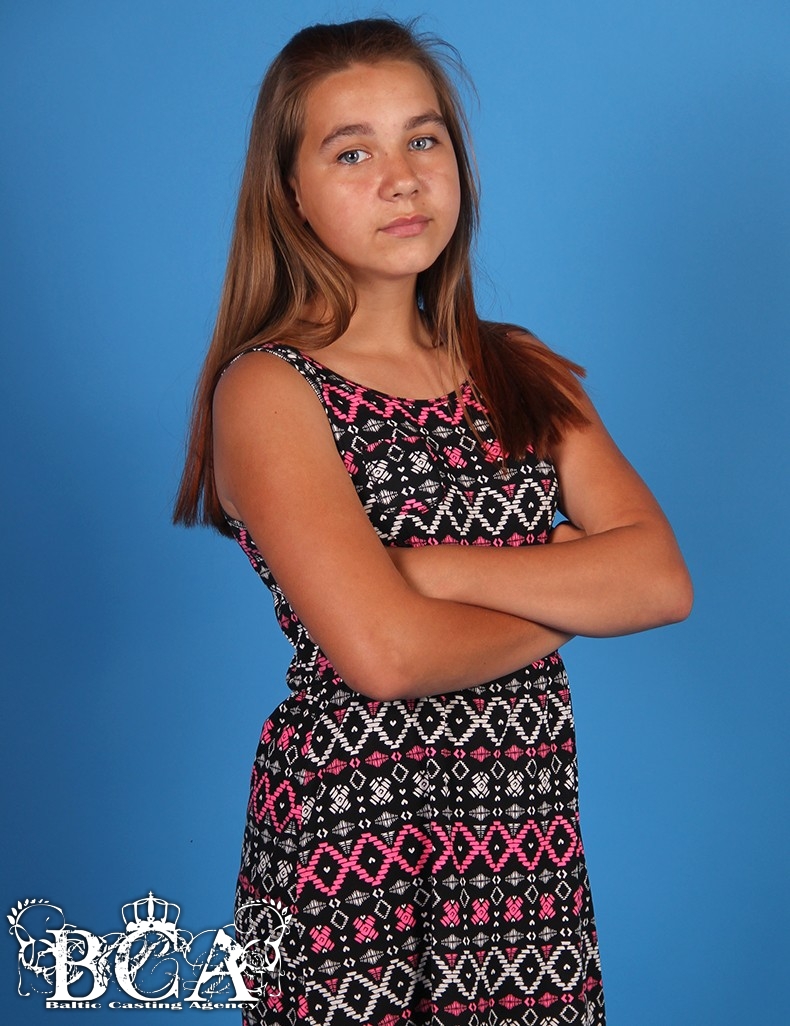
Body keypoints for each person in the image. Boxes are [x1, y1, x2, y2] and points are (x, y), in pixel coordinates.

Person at [174, 16, 692, 1026]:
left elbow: (661, 583)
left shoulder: (518, 368)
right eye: (351, 152)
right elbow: (387, 657)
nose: (401, 179)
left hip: (523, 853)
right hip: (354, 850)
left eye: (423, 139)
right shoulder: (270, 389)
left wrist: (430, 569)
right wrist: (571, 591)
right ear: (290, 193)